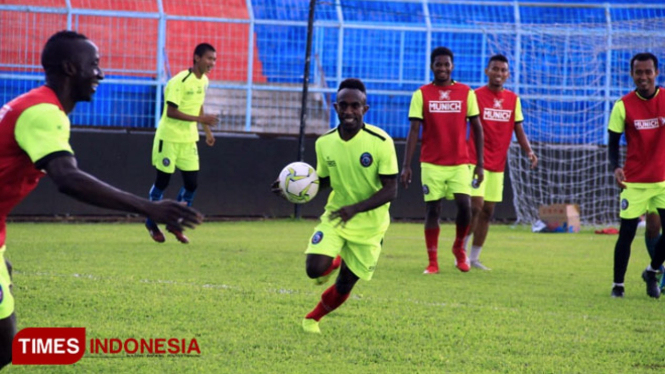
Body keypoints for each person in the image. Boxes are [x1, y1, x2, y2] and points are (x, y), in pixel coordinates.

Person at [0, 30, 202, 369]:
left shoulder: (36, 105)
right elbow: (68, 179)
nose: (101, 74)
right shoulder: (43, 112)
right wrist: (148, 207)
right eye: (94, 64)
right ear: (69, 68)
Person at [277, 78, 398, 334]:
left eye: (356, 106)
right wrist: (291, 188)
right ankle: (333, 262)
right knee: (314, 270)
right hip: (337, 217)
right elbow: (323, 180)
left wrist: (356, 208)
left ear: (365, 109)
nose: (349, 111)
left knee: (345, 284)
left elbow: (391, 189)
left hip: (371, 226)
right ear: (335, 107)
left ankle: (312, 319)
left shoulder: (381, 141)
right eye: (344, 105)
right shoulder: (325, 143)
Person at [401, 46, 484, 274]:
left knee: (465, 207)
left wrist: (480, 164)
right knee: (433, 211)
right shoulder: (421, 94)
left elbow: (477, 128)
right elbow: (414, 130)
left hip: (459, 163)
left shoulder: (467, 93)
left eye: (446, 64)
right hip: (431, 163)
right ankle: (433, 261)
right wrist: (406, 165)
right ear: (432, 67)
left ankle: (459, 248)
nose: (443, 68)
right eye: (438, 64)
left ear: (452, 66)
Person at [464, 54, 538, 270]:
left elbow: (518, 128)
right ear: (487, 71)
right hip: (475, 160)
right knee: (475, 208)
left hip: (497, 164)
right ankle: (461, 250)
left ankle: (474, 258)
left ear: (508, 74)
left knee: (488, 212)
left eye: (503, 70)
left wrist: (529, 151)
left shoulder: (513, 99)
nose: (498, 73)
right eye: (495, 69)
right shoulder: (475, 96)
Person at [144, 43, 219, 244]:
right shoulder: (179, 81)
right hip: (169, 138)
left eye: (214, 59)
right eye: (209, 58)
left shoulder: (204, 81)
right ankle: (151, 221)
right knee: (163, 182)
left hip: (188, 141)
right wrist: (201, 121)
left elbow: (199, 105)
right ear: (196, 58)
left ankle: (175, 222)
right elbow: (171, 112)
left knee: (191, 184)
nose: (212, 63)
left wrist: (207, 132)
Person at [608, 52, 665, 299]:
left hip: (662, 180)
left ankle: (652, 271)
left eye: (647, 72)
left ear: (656, 73)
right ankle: (618, 285)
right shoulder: (623, 105)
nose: (643, 76)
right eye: (638, 72)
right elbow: (612, 142)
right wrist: (615, 166)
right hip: (634, 181)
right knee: (627, 234)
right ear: (632, 74)